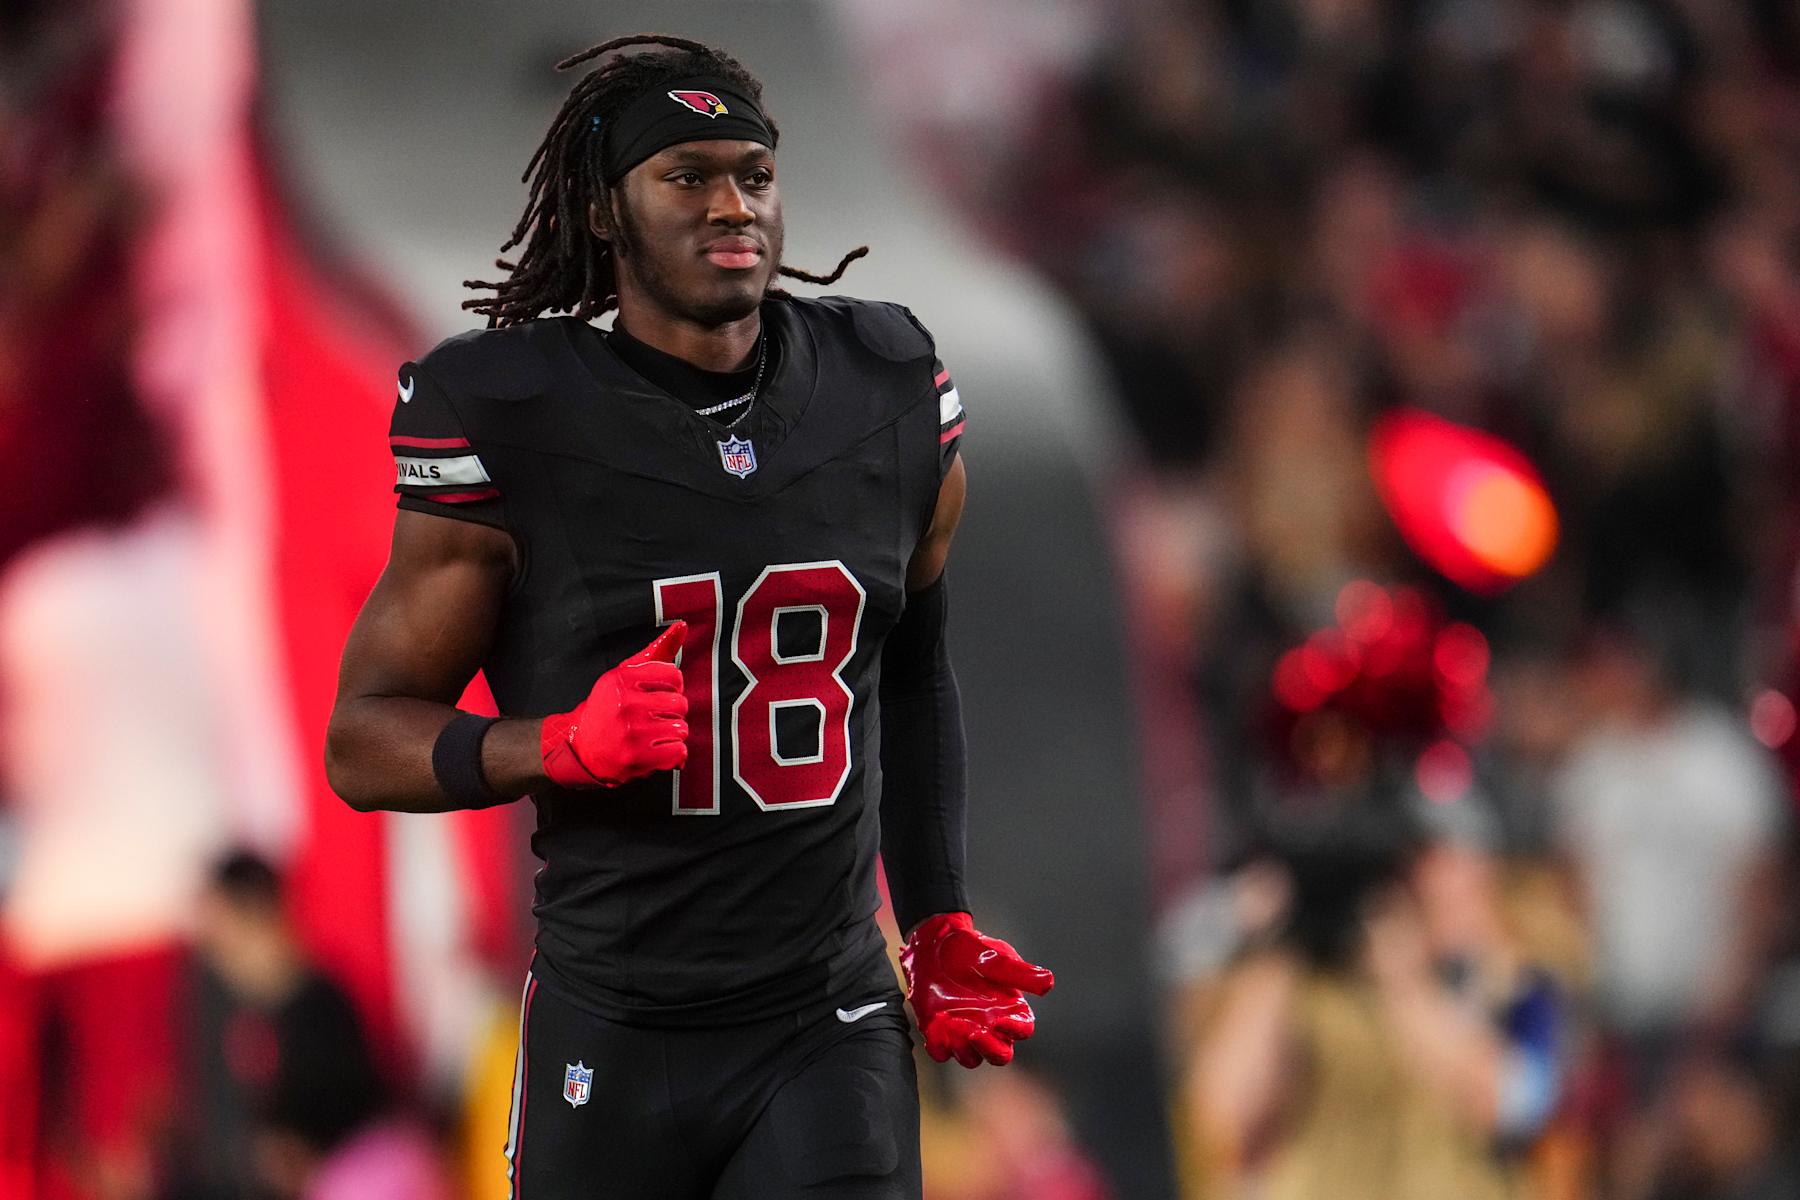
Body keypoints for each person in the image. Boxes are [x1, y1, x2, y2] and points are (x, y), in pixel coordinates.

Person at [324, 34, 1053, 1199]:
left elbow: (912, 670)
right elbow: (361, 738)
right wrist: (553, 744)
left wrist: (937, 915)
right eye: (688, 175)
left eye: (753, 176)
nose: (733, 206)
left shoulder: (886, 388)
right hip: (617, 1018)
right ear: (607, 214)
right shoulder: (512, 418)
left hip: (826, 1014)